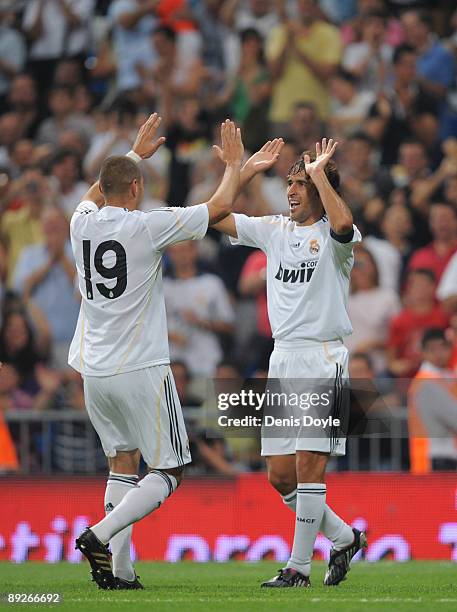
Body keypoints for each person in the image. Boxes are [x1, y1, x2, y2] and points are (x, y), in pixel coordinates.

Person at [71, 114, 243, 590]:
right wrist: (233, 163)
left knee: (122, 463)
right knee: (169, 469)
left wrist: (130, 153)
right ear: (135, 190)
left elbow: (92, 193)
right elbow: (221, 205)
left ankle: (121, 573)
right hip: (141, 367)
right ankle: (99, 535)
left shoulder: (79, 223)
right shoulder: (148, 225)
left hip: (94, 370)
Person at [213, 136, 366, 587]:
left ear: (318, 189)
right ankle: (342, 537)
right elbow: (215, 215)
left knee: (308, 466)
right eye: (290, 182)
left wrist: (319, 171)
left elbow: (344, 222)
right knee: (280, 476)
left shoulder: (337, 239)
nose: (292, 191)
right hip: (283, 359)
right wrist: (243, 172)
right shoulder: (274, 230)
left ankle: (298, 568)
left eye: (301, 183)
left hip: (323, 356)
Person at [408, 328, 457, 473]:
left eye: (442, 348)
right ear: (423, 352)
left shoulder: (447, 377)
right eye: (432, 349)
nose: (438, 354)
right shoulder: (426, 383)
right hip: (435, 458)